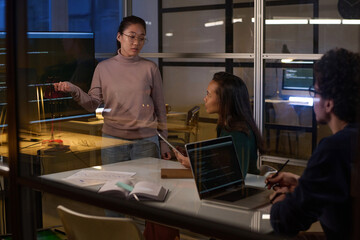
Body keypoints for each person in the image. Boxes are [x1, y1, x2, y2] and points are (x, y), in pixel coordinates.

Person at [265, 48, 360, 239]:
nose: (313, 97)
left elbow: (285, 221)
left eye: (314, 92)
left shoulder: (333, 149)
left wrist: (280, 198)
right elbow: (344, 192)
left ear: (329, 103)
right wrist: (303, 184)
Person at [54, 15, 171, 163]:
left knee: (146, 185)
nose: (136, 42)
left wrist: (164, 142)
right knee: (114, 185)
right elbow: (92, 104)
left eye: (141, 38)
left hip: (146, 141)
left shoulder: (150, 68)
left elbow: (160, 108)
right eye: (132, 37)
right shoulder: (103, 68)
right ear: (119, 37)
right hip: (113, 141)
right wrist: (74, 90)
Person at [175, 71, 265, 178]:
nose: (205, 99)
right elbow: (221, 159)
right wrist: (192, 155)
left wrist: (194, 165)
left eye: (209, 95)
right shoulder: (226, 125)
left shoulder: (238, 133)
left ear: (225, 100)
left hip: (246, 189)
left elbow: (234, 175)